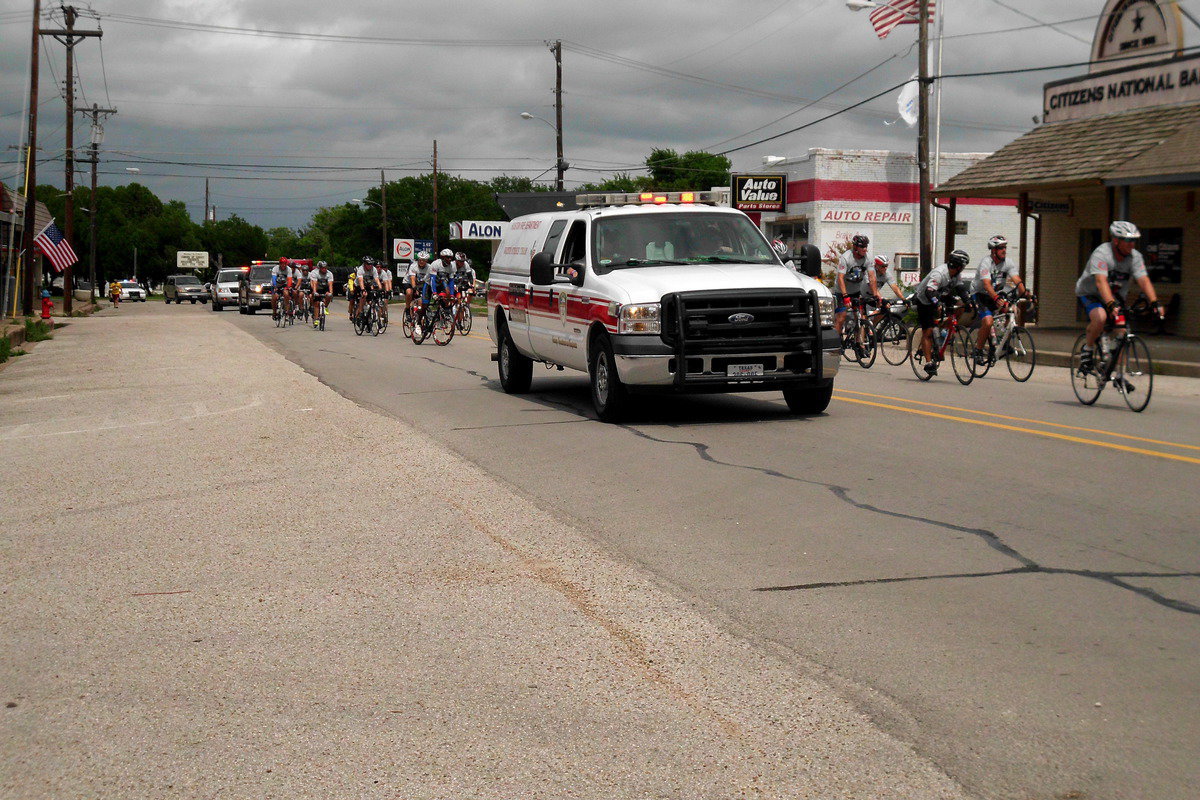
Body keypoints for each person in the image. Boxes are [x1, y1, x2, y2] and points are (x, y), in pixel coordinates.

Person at [1074, 221, 1164, 372]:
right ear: (1116, 240)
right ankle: (1087, 349)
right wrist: (1110, 304)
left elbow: (1143, 280)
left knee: (1122, 332)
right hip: (1090, 294)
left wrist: (1155, 302)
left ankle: (1118, 374)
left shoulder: (1135, 257)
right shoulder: (1102, 254)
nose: (1132, 244)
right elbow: (1100, 281)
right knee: (1101, 318)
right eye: (1128, 240)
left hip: (1115, 296)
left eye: (1134, 240)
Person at [912, 249, 972, 376]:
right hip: (925, 300)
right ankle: (928, 363)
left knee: (960, 305)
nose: (963, 268)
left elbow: (961, 289)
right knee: (928, 331)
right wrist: (937, 304)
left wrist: (969, 302)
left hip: (941, 295)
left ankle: (943, 330)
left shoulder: (955, 274)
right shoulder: (939, 273)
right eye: (963, 266)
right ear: (958, 265)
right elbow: (929, 291)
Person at [971, 236, 1031, 362]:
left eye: (1005, 247)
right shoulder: (986, 263)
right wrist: (997, 298)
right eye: (1001, 248)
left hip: (995, 293)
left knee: (1013, 311)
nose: (1004, 250)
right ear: (993, 250)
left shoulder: (1008, 262)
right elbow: (987, 285)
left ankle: (1002, 341)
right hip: (980, 294)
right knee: (987, 322)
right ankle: (978, 350)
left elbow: (1017, 281)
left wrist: (1026, 294)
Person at [835, 234, 872, 335]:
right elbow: (840, 278)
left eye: (866, 246)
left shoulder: (867, 258)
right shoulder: (846, 257)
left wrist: (876, 294)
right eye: (862, 247)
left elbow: (872, 277)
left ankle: (859, 343)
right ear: (855, 247)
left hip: (856, 291)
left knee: (860, 318)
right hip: (842, 292)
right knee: (841, 317)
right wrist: (845, 296)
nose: (865, 249)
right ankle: (837, 343)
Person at [310, 261, 334, 327]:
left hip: (325, 288)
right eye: (323, 268)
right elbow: (314, 283)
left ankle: (325, 307)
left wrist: (331, 293)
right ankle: (316, 318)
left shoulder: (329, 274)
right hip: (318, 288)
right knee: (317, 303)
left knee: (328, 295)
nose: (324, 269)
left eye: (325, 268)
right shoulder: (315, 273)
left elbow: (330, 284)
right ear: (319, 268)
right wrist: (315, 292)